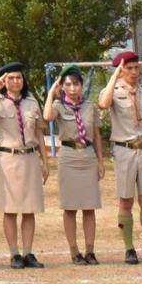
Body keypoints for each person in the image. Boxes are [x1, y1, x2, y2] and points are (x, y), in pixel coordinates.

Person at [98, 50, 142, 264]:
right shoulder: (113, 91)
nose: (134, 72)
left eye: (137, 67)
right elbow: (103, 104)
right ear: (120, 70)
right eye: (129, 68)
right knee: (126, 200)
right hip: (124, 150)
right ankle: (129, 249)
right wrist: (115, 75)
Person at [0, 62, 46, 268]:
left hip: (30, 157)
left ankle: (28, 252)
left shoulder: (31, 101)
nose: (16, 81)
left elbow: (39, 133)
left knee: (30, 208)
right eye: (11, 78)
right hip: (10, 158)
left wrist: (45, 161)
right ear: (4, 81)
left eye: (19, 77)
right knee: (10, 208)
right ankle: (14, 253)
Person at [44, 66, 105, 264]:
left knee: (89, 206)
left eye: (76, 84)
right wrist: (52, 92)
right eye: (68, 84)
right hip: (68, 156)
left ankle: (90, 251)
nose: (72, 88)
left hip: (88, 155)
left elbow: (96, 135)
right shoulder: (59, 106)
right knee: (70, 207)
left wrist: (100, 161)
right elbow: (47, 116)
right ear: (62, 87)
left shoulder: (89, 106)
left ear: (81, 85)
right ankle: (74, 251)